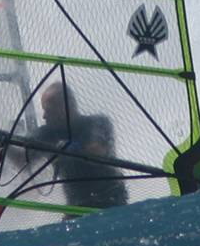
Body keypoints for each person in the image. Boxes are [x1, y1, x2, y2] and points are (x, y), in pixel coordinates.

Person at [25, 82, 129, 212]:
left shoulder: (98, 122)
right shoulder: (46, 134)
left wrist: (72, 148)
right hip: (77, 205)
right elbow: (24, 162)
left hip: (111, 201)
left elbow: (97, 151)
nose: (44, 116)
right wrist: (4, 143)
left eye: (49, 110)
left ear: (66, 107)